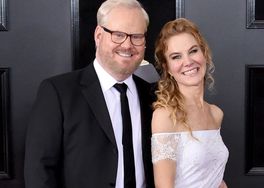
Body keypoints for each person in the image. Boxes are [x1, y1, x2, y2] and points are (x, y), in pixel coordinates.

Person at [24, 0, 155, 187]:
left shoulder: (153, 95)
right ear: (98, 35)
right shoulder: (58, 92)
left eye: (136, 36)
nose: (127, 45)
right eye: (118, 35)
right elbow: (39, 170)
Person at [151, 18, 229, 188]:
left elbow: (214, 178)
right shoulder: (165, 116)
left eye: (193, 51)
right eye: (176, 56)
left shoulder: (216, 113)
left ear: (204, 53)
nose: (188, 62)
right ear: (167, 68)